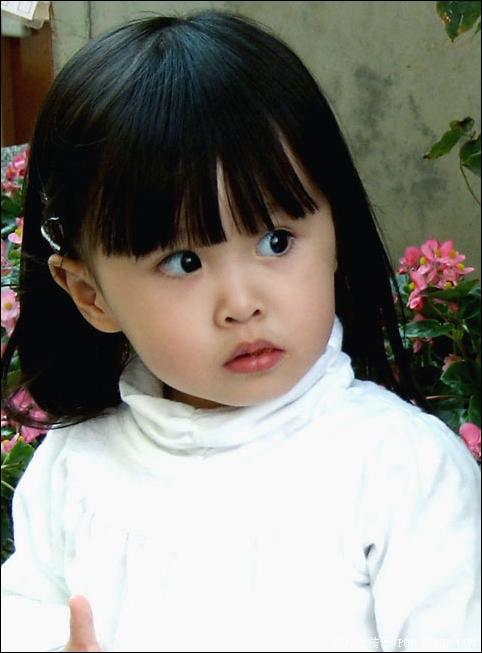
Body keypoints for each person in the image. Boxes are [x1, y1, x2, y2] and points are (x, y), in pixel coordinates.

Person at [1, 9, 480, 653]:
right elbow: (25, 615)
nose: (242, 304)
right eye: (183, 261)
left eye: (276, 241)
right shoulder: (74, 473)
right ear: (91, 295)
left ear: (335, 235)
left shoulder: (402, 471)